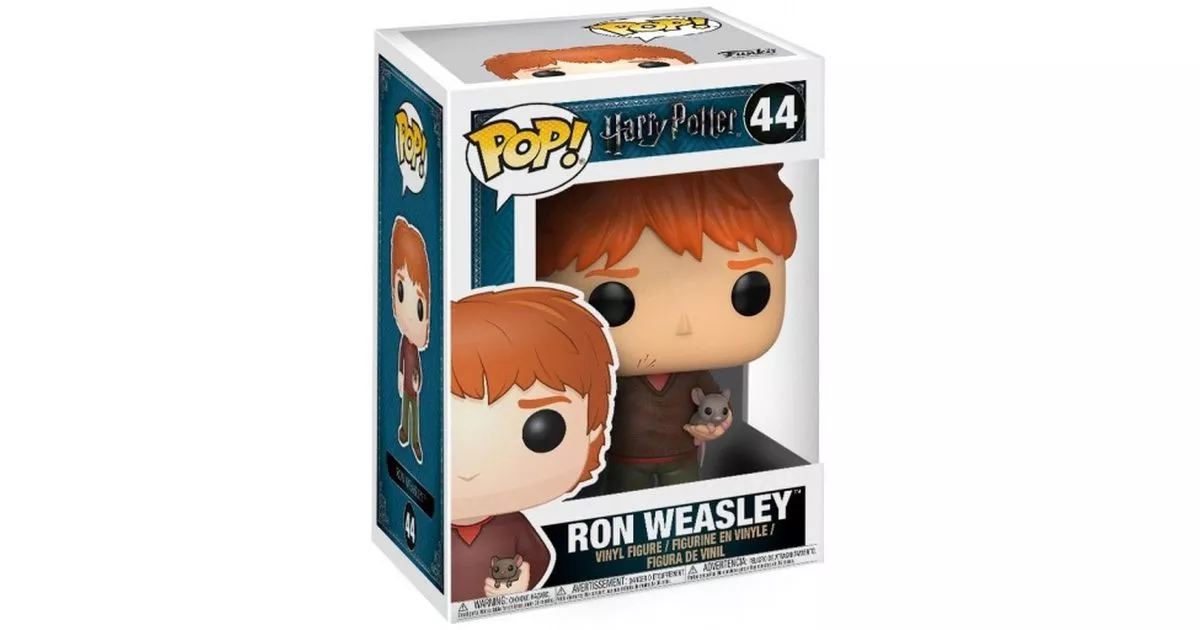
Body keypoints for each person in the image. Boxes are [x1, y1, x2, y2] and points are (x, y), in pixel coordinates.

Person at [537, 165, 797, 492]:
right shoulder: (612, 381)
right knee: (625, 499)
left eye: (746, 293)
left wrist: (717, 424)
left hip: (682, 457)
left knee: (685, 498)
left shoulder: (693, 375)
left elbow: (719, 405)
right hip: (625, 460)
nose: (684, 326)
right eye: (613, 302)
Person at [449, 286, 616, 601]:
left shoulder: (512, 524)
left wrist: (522, 584)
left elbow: (540, 559)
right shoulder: (429, 522)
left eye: (541, 431)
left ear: (593, 432)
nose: (470, 470)